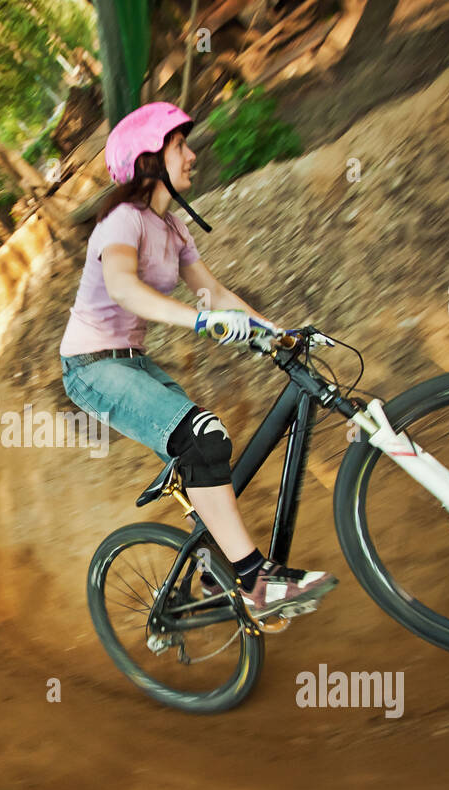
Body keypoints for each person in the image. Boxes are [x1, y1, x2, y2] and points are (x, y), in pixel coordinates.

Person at [59, 101, 337, 622]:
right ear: (148, 160)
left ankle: (212, 566)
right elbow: (124, 288)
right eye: (180, 145)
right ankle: (258, 581)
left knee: (209, 446)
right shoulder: (122, 222)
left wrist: (279, 333)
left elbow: (213, 292)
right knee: (202, 437)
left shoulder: (174, 229)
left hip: (130, 361)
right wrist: (201, 322)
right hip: (91, 368)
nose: (192, 155)